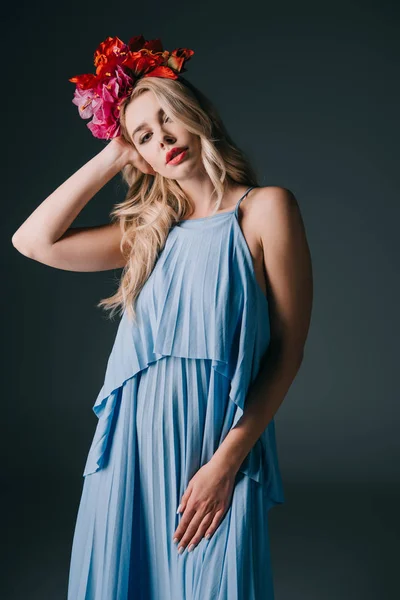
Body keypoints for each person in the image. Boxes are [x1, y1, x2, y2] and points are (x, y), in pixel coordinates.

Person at [11, 35, 313, 599]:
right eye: (144, 135)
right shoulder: (147, 235)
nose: (163, 139)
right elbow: (33, 242)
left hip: (217, 449)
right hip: (128, 454)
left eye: (168, 118)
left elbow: (287, 354)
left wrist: (226, 464)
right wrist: (113, 154)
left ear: (196, 115)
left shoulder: (267, 209)